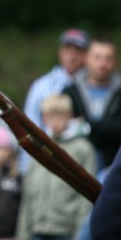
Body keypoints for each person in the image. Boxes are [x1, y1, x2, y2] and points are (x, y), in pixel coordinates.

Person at [16, 94, 96, 240]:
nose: (55, 122)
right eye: (50, 117)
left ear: (70, 116)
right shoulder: (38, 146)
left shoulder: (83, 149)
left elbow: (88, 195)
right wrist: (23, 234)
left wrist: (80, 233)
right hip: (37, 228)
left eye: (60, 116)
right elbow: (27, 194)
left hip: (66, 230)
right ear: (44, 118)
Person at [19, 28, 89, 173]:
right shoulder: (41, 86)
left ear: (86, 55)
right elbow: (29, 128)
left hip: (83, 163)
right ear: (60, 52)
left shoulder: (93, 86)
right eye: (67, 49)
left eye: (77, 50)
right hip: (46, 162)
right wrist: (26, 170)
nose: (72, 55)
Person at [62, 36, 121, 171]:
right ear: (86, 58)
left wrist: (87, 126)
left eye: (108, 58)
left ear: (115, 62)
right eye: (97, 57)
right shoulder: (70, 92)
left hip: (114, 170)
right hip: (76, 169)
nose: (102, 63)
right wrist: (107, 129)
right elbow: (62, 128)